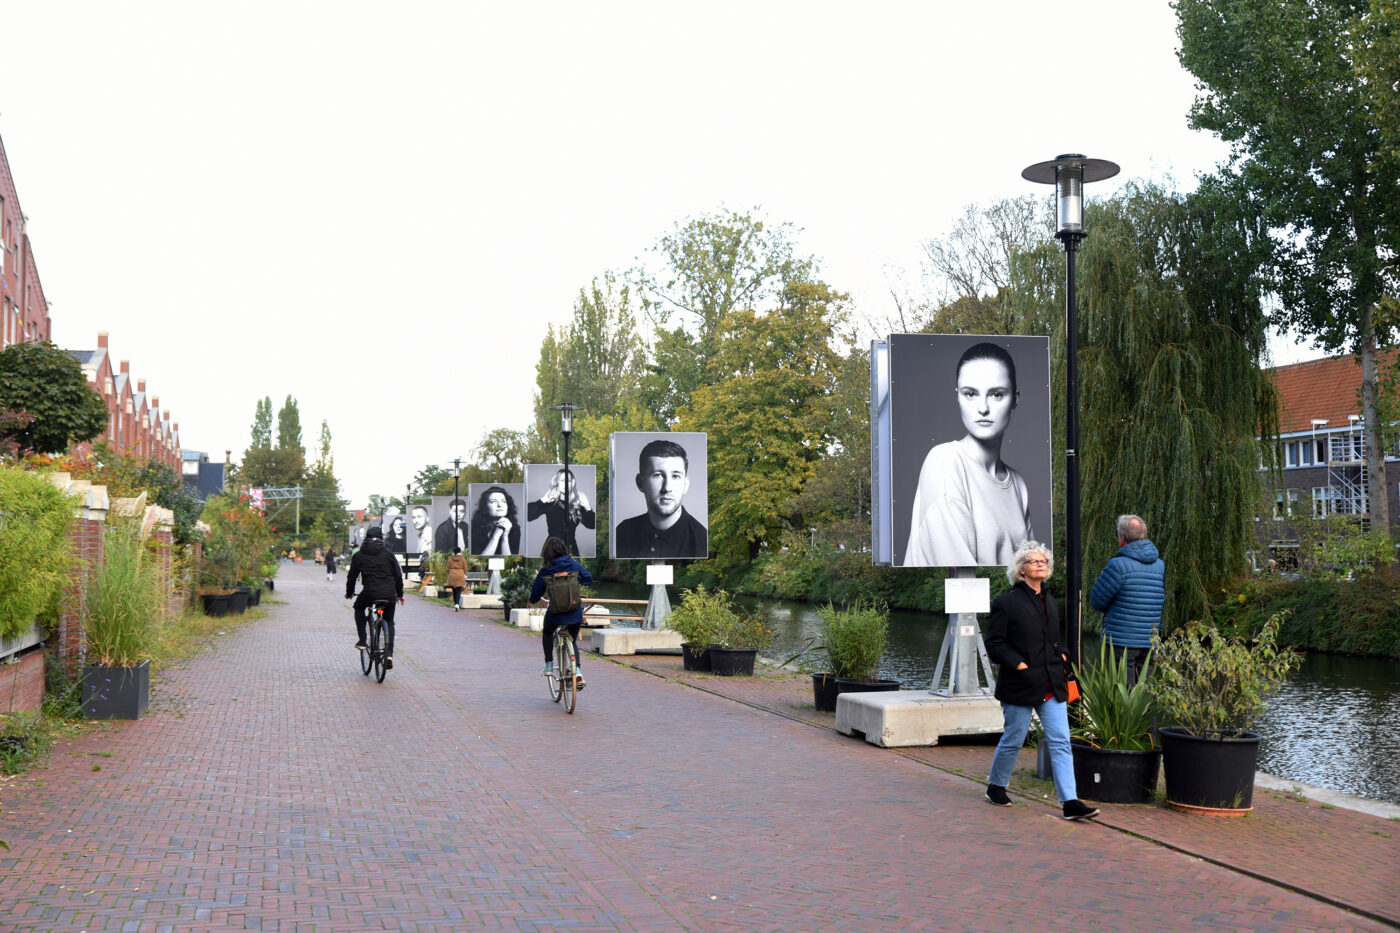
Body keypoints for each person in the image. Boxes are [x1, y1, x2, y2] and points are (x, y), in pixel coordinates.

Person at [983, 540, 1099, 821]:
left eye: (1044, 561)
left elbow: (1051, 640)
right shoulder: (1006, 603)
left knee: (1060, 741)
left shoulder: (1051, 602)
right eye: (1034, 561)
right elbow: (995, 643)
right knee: (1014, 737)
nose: (1040, 564)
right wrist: (1019, 664)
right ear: (1021, 570)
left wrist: (1062, 657)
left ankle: (1069, 802)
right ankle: (996, 785)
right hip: (1021, 682)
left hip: (1051, 682)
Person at [904, 342, 1033, 567]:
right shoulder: (944, 462)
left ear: (1015, 398)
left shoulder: (1017, 484)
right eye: (971, 393)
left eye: (996, 394)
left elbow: (1032, 570)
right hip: (966, 600)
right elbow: (957, 568)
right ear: (958, 397)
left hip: (1003, 601)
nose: (983, 408)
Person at [1089, 513, 1166, 686]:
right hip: (1149, 641)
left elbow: (1096, 601)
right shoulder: (1159, 565)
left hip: (1121, 642)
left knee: (1122, 695)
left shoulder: (1118, 565)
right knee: (1143, 695)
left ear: (1122, 537)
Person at [613, 439, 708, 559]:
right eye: (658, 475)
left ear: (686, 485)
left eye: (675, 476)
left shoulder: (702, 541)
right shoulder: (622, 532)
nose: (667, 488)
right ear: (640, 483)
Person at [529, 535, 595, 687]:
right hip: (575, 613)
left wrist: (532, 600)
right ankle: (577, 671)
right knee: (572, 639)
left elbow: (537, 590)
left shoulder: (546, 569)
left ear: (547, 553)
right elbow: (589, 579)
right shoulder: (574, 565)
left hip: (556, 614)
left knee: (547, 632)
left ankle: (549, 664)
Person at [344, 525, 405, 669]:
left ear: (366, 537)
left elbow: (352, 576)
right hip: (389, 593)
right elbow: (397, 574)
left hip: (370, 592)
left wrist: (349, 592)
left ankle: (363, 641)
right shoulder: (388, 553)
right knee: (389, 620)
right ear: (381, 537)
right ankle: (389, 654)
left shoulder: (359, 555)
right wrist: (400, 594)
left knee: (359, 608)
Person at [527, 468, 595, 556]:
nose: (566, 483)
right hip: (551, 549)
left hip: (571, 549)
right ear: (557, 483)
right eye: (562, 480)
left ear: (572, 484)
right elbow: (527, 515)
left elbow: (592, 525)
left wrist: (587, 506)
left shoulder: (577, 504)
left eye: (569, 480)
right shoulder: (550, 502)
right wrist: (542, 500)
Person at [471, 485, 520, 556]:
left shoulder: (515, 528)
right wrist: (495, 536)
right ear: (485, 506)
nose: (500, 505)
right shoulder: (474, 527)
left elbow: (509, 561)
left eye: (503, 501)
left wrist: (505, 536)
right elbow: (478, 561)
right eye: (493, 502)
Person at [445, 546, 468, 612]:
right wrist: (464, 574)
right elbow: (465, 567)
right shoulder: (462, 558)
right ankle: (457, 604)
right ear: (460, 551)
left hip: (452, 574)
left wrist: (451, 572)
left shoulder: (450, 558)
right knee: (458, 590)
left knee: (454, 590)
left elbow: (447, 568)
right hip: (460, 574)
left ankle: (455, 603)